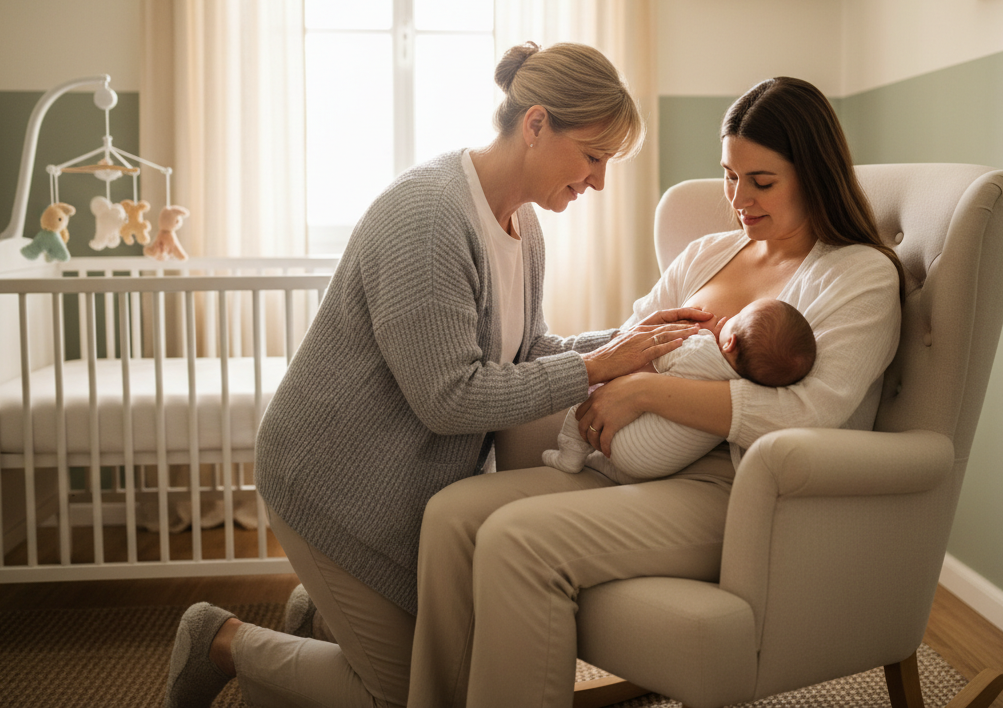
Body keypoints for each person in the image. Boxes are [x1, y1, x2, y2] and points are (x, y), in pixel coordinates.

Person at [160, 41, 711, 708]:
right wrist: (597, 365)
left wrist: (636, 342)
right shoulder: (429, 219)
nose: (598, 181)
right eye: (593, 157)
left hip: (400, 493)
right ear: (536, 125)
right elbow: (450, 398)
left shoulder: (523, 226)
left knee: (447, 669)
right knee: (413, 696)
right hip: (330, 485)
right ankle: (220, 640)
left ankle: (318, 619)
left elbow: (527, 348)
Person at [407, 76, 906, 708]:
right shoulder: (708, 255)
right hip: (628, 462)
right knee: (453, 516)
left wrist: (647, 395)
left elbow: (809, 412)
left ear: (814, 173)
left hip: (737, 492)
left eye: (762, 181)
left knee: (517, 541)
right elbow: (627, 339)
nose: (738, 199)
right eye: (730, 175)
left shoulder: (856, 273)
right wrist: (612, 380)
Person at [542, 298, 816, 484]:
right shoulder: (739, 388)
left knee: (586, 391)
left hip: (623, 441)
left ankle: (570, 456)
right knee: (636, 457)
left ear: (730, 342)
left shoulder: (701, 346)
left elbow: (650, 354)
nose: (728, 317)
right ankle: (601, 464)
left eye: (738, 317)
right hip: (656, 466)